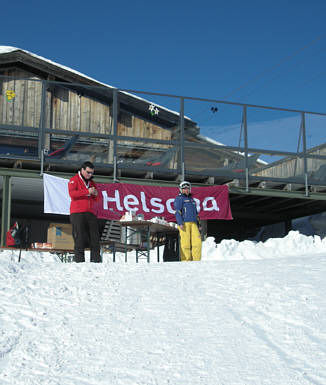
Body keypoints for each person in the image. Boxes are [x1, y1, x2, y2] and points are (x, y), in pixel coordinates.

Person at [68, 161, 101, 263]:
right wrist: (87, 192)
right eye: (88, 172)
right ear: (82, 170)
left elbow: (98, 198)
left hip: (90, 212)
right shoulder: (74, 180)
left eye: (91, 173)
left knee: (94, 236)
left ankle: (95, 260)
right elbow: (72, 194)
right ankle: (79, 260)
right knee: (79, 236)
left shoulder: (92, 183)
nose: (90, 175)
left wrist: (95, 194)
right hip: (77, 212)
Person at [174, 181, 202, 261]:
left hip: (193, 223)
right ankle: (186, 261)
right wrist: (180, 223)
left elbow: (196, 214)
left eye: (188, 189)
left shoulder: (192, 199)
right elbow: (177, 211)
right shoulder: (179, 199)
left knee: (197, 243)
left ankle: (196, 261)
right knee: (185, 243)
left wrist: (199, 224)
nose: (186, 190)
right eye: (184, 189)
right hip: (184, 223)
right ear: (180, 189)